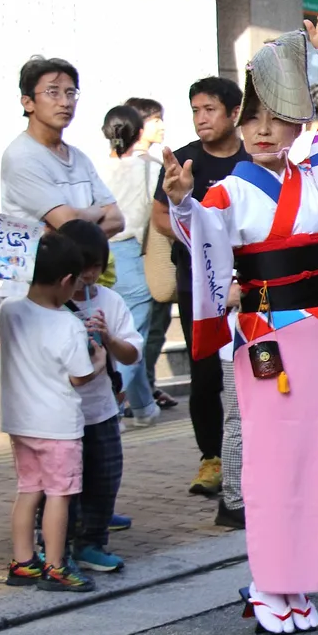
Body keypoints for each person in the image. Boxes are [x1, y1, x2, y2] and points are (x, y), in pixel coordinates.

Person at [161, 7, 318, 634]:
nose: (263, 131)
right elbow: (201, 231)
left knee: (317, 457)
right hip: (266, 336)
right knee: (270, 461)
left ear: (297, 123)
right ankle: (267, 581)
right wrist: (181, 202)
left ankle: (300, 581)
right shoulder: (228, 189)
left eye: (277, 119)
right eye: (252, 118)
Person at [151, 76, 249, 497]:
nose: (200, 118)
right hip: (200, 286)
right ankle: (212, 458)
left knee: (253, 368)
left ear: (234, 113)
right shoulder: (183, 162)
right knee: (205, 374)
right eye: (195, 110)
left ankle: (252, 454)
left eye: (209, 109)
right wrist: (197, 231)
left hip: (250, 285)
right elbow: (159, 219)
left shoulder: (252, 160)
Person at [0, 232, 102, 593]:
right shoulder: (68, 324)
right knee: (59, 493)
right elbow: (80, 375)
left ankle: (23, 562)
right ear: (66, 281)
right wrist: (99, 358)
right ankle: (57, 566)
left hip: (18, 421)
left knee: (28, 489)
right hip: (57, 426)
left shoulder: (8, 309)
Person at [59, 220, 140, 574]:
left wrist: (108, 338)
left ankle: (91, 543)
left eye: (97, 267)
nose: (90, 275)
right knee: (63, 485)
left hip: (102, 409)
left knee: (104, 477)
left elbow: (132, 354)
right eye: (84, 267)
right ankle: (58, 548)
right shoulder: (47, 303)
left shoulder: (111, 300)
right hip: (59, 414)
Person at [0, 57, 123, 237]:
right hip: (42, 264)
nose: (65, 102)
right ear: (28, 102)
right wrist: (97, 212)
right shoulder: (21, 157)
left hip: (84, 263)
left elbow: (117, 220)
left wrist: (73, 224)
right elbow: (68, 223)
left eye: (70, 93)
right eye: (53, 92)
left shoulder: (79, 158)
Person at [96, 105, 161, 426]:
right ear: (138, 133)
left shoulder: (94, 170)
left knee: (112, 335)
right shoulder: (148, 169)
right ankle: (111, 406)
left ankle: (144, 407)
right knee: (132, 337)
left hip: (97, 257)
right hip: (131, 255)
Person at [125, 97, 178, 415]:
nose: (161, 125)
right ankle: (137, 394)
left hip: (151, 252)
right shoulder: (142, 166)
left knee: (153, 328)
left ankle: (145, 386)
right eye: (155, 120)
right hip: (145, 253)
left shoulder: (152, 164)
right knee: (143, 328)